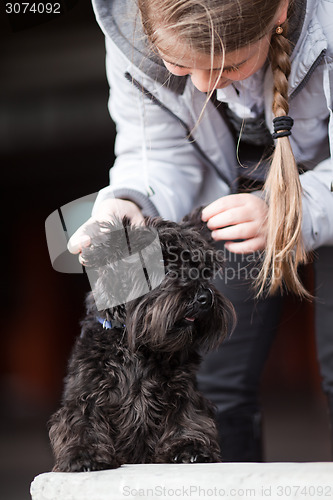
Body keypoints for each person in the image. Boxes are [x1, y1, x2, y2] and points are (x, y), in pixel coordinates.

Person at [68, 0, 333, 461]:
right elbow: (158, 150)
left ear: (281, 13)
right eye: (178, 66)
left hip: (315, 186)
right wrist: (131, 201)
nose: (205, 85)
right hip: (226, 205)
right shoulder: (136, 28)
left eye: (229, 64)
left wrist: (293, 209)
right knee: (213, 378)